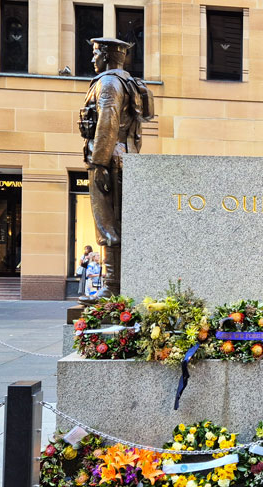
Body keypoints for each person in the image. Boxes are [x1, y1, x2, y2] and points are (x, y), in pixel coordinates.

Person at [78, 37, 151, 303]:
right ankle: (115, 285)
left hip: (109, 159)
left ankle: (112, 286)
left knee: (108, 224)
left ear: (107, 57)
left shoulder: (108, 83)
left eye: (95, 54)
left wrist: (99, 163)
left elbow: (107, 124)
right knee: (114, 223)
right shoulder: (128, 82)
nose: (92, 59)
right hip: (122, 157)